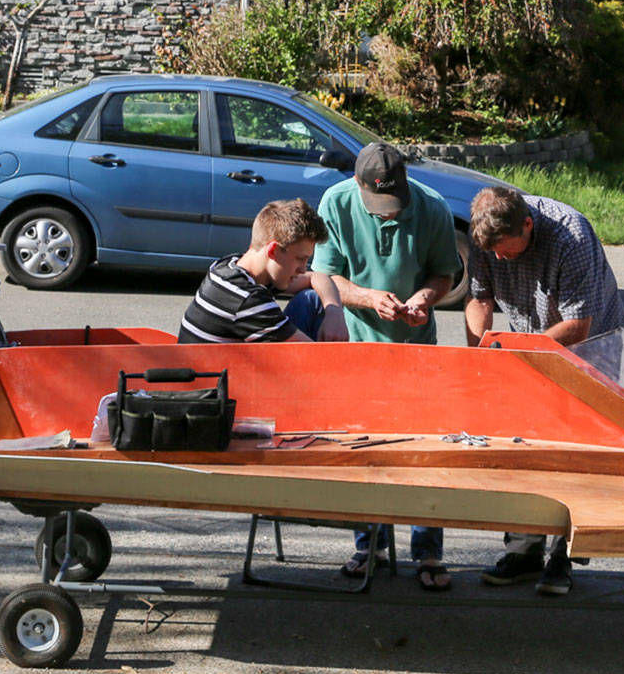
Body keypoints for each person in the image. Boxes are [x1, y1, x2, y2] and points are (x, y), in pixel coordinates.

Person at [463, 184, 624, 597]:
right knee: (521, 448)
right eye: (493, 251)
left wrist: (512, 349)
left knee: (576, 453)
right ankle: (522, 551)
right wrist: (480, 351)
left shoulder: (571, 236)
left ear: (528, 224)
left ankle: (563, 558)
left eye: (507, 249)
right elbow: (479, 299)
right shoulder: (486, 234)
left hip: (592, 346)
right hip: (526, 343)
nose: (499, 257)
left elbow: (578, 326)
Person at [313, 141, 461, 591]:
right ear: (357, 184)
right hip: (357, 347)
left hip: (417, 347)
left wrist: (425, 297)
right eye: (379, 206)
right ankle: (370, 544)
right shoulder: (335, 203)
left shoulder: (431, 206)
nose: (389, 213)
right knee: (366, 450)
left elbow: (445, 273)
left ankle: (428, 551)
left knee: (421, 451)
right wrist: (366, 297)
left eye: (395, 203)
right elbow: (324, 274)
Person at [179, 198, 345, 345]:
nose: (303, 269)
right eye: (300, 258)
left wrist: (334, 312)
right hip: (217, 378)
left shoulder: (228, 265)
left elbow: (317, 277)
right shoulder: (247, 300)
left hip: (219, 366)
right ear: (273, 251)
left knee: (312, 299)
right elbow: (317, 358)